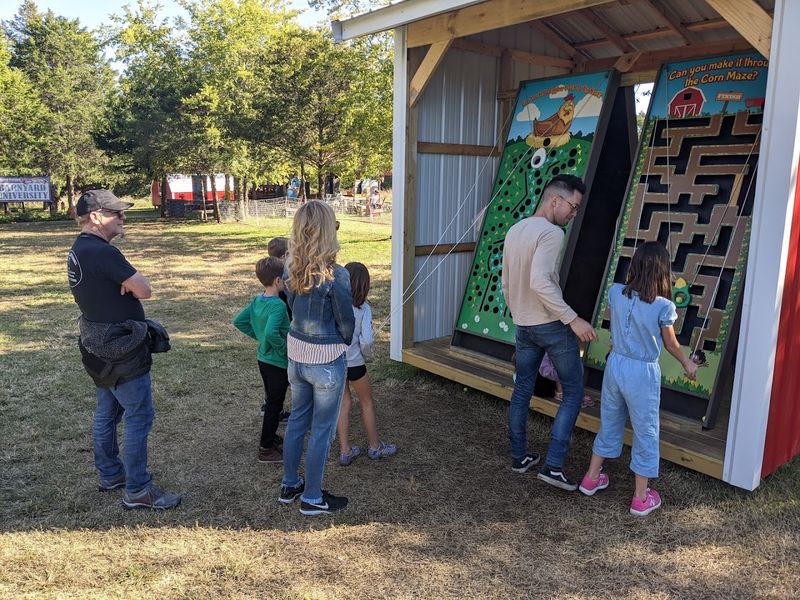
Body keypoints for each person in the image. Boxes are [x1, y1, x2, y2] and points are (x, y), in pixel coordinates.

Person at [67, 189, 181, 510]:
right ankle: (138, 489)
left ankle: (111, 474)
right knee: (138, 415)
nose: (123, 217)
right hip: (120, 349)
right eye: (116, 213)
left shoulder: (79, 249)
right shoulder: (103, 254)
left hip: (97, 345)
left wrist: (123, 286)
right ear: (96, 217)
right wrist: (128, 286)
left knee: (107, 412)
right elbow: (144, 289)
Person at [578, 242, 697, 516]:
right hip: (642, 373)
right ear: (662, 271)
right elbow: (671, 344)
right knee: (645, 431)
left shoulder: (616, 292)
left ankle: (591, 478)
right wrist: (687, 363)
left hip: (615, 365)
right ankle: (641, 498)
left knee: (610, 420)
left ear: (635, 265)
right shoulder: (663, 306)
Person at [501, 174, 597, 490]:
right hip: (551, 325)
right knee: (572, 391)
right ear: (555, 200)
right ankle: (553, 466)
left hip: (523, 325)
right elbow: (540, 281)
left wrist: (518, 311)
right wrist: (573, 319)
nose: (573, 213)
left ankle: (520, 457)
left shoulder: (516, 229)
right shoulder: (551, 233)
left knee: (522, 388)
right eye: (573, 206)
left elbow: (506, 282)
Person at [278, 200, 355, 516]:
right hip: (326, 361)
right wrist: (346, 341)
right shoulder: (336, 275)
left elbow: (294, 308)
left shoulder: (290, 267)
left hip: (297, 356)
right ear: (328, 232)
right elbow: (346, 322)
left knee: (298, 420)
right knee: (322, 429)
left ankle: (289, 483)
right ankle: (311, 497)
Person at [336, 262, 397, 466]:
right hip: (355, 364)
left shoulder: (334, 303)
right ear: (365, 285)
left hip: (336, 362)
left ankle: (345, 451)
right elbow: (367, 340)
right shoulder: (364, 309)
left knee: (343, 404)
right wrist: (366, 354)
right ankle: (375, 447)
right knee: (367, 402)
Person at [233, 256, 290, 463]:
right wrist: (285, 351)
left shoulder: (257, 300)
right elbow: (272, 333)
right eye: (284, 278)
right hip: (277, 362)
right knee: (275, 404)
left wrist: (259, 337)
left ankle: (271, 436)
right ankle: (266, 448)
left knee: (272, 400)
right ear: (277, 281)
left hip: (263, 360)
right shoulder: (278, 306)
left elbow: (238, 321)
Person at [265, 236, 292, 422]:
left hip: (273, 338)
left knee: (274, 377)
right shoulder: (281, 282)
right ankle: (273, 407)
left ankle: (271, 404)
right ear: (285, 256)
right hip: (282, 337)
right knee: (281, 377)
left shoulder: (269, 276)